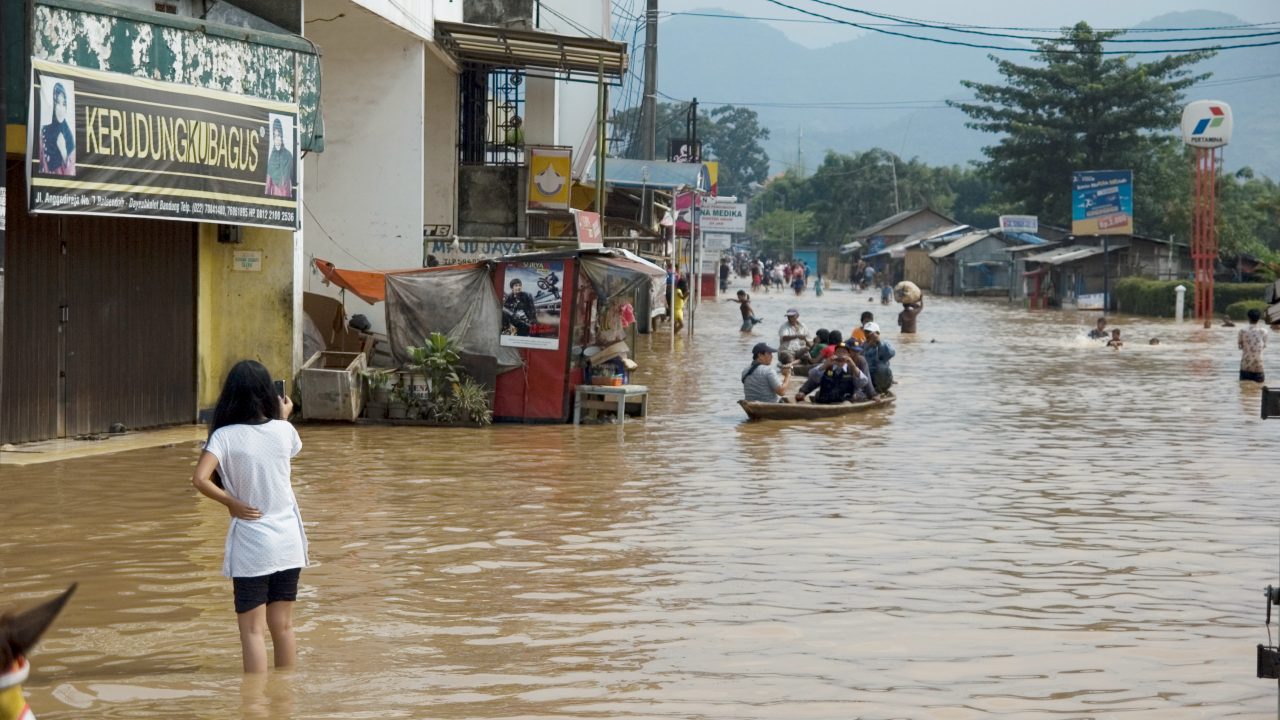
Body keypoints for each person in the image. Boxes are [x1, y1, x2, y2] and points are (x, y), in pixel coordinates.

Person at [191, 361, 306, 673]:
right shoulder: (285, 431)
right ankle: (285, 699)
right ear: (268, 392)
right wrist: (282, 418)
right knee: (283, 627)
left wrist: (232, 503)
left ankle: (253, 707)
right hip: (289, 543)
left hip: (253, 545)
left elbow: (200, 479)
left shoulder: (224, 437)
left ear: (230, 395)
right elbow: (281, 449)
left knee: (252, 631)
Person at [795, 342, 877, 404]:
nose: (841, 355)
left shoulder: (852, 369)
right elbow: (813, 376)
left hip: (844, 402)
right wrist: (803, 391)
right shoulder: (826, 366)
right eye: (838, 352)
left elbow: (863, 382)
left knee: (847, 403)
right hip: (826, 401)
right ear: (834, 354)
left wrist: (854, 366)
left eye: (843, 352)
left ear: (848, 355)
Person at [41, 82, 75, 175]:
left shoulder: (69, 138)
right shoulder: (44, 133)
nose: (61, 109)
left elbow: (71, 175)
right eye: (57, 103)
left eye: (64, 104)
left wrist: (63, 151)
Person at [861, 322, 896, 393]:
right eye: (866, 332)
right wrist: (868, 345)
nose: (867, 335)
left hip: (880, 377)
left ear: (878, 334)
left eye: (870, 333)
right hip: (866, 376)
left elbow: (891, 354)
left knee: (881, 367)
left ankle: (879, 391)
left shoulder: (884, 344)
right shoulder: (861, 345)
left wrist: (879, 343)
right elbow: (856, 356)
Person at [265, 118, 294, 197]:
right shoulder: (271, 160)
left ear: (282, 136)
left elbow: (294, 183)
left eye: (279, 135)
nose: (277, 139)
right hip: (276, 207)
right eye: (275, 136)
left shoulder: (289, 156)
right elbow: (267, 189)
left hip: (287, 206)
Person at [1239, 307, 1268, 382]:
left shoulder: (1242, 331)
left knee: (1244, 390)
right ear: (1259, 318)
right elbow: (1263, 346)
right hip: (1258, 366)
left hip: (1245, 366)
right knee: (1258, 390)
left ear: (1248, 318)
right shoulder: (1264, 331)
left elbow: (1240, 346)